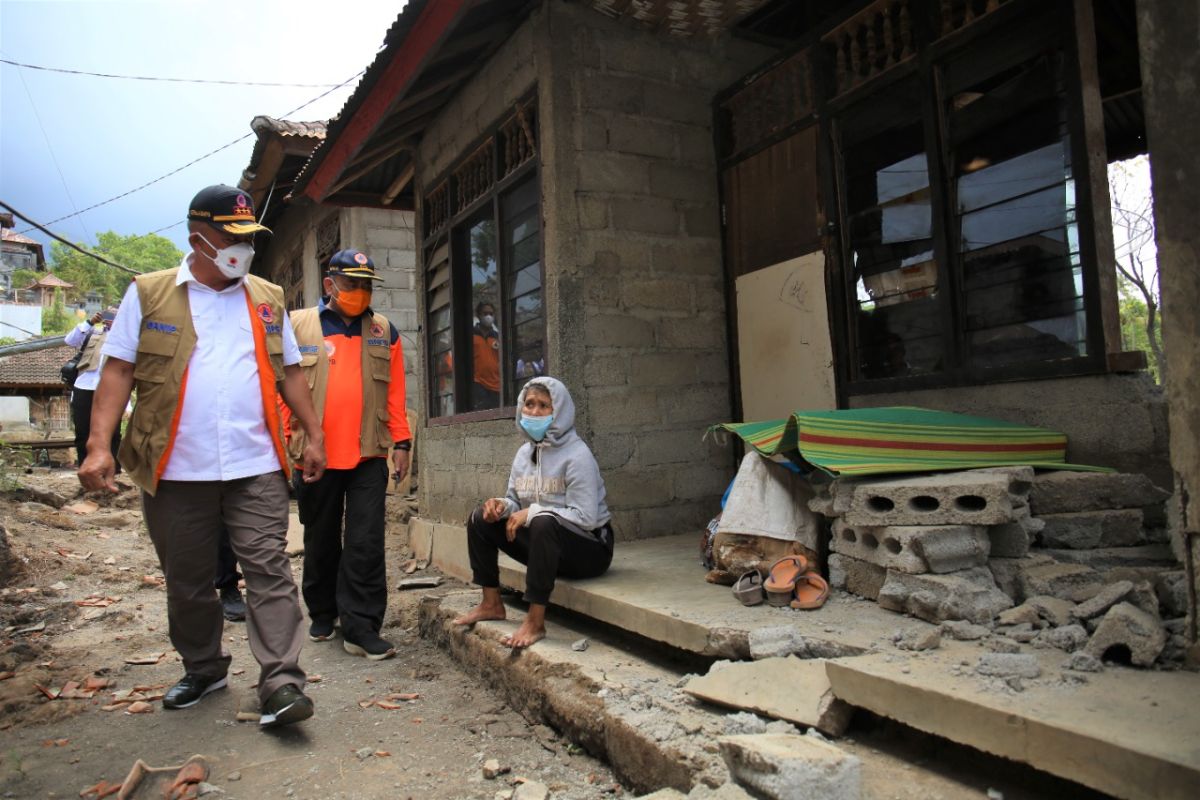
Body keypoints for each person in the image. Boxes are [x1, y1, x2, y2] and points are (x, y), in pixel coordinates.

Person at [78, 184, 326, 730]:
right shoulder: (148, 293)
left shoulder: (267, 297)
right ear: (198, 238)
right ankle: (205, 665)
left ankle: (281, 681)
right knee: (187, 581)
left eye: (248, 237)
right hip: (174, 468)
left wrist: (313, 433)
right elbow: (117, 370)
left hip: (254, 463)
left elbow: (289, 372)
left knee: (270, 570)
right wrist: (100, 445)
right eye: (230, 236)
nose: (243, 248)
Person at [285, 249, 411, 661]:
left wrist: (403, 442)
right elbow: (281, 389)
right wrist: (290, 445)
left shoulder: (383, 331)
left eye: (366, 285)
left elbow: (394, 394)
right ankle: (323, 610)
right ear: (329, 285)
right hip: (315, 456)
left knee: (366, 542)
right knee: (320, 539)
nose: (359, 292)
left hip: (368, 455)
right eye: (351, 283)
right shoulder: (299, 326)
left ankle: (361, 626)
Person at [453, 377, 613, 648]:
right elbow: (516, 501)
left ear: (559, 411)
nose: (534, 412)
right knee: (480, 517)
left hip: (591, 550)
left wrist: (534, 512)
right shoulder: (522, 455)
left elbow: (587, 518)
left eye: (543, 406)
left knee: (542, 521)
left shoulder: (577, 455)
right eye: (529, 404)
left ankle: (535, 622)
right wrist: (502, 506)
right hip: (549, 546)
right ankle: (491, 603)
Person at [64, 307, 120, 469]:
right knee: (82, 431)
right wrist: (90, 322)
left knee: (112, 432)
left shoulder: (124, 336)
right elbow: (69, 340)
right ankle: (85, 468)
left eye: (115, 314)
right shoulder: (91, 332)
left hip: (110, 389)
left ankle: (113, 470)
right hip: (84, 385)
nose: (110, 318)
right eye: (107, 314)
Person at [471, 301, 500, 409]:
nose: (488, 316)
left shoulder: (497, 337)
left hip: (496, 385)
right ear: (479, 315)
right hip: (478, 382)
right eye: (485, 313)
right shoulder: (472, 335)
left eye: (491, 314)